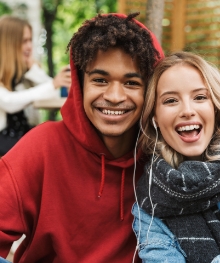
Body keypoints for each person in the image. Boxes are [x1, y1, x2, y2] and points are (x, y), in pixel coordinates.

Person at [0, 12, 164, 262]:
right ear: (80, 83)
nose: (114, 96)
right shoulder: (42, 147)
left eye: (131, 83)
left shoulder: (165, 159)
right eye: (100, 80)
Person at [132, 51, 220, 263]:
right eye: (171, 100)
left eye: (200, 97)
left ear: (215, 107)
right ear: (154, 116)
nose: (187, 110)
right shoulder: (149, 206)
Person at [0, 15, 71, 156]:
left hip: (23, 134)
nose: (29, 46)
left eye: (30, 40)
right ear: (9, 43)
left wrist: (34, 71)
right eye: (24, 41)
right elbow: (8, 102)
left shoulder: (25, 73)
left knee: (58, 139)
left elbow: (55, 93)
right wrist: (53, 84)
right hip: (4, 139)